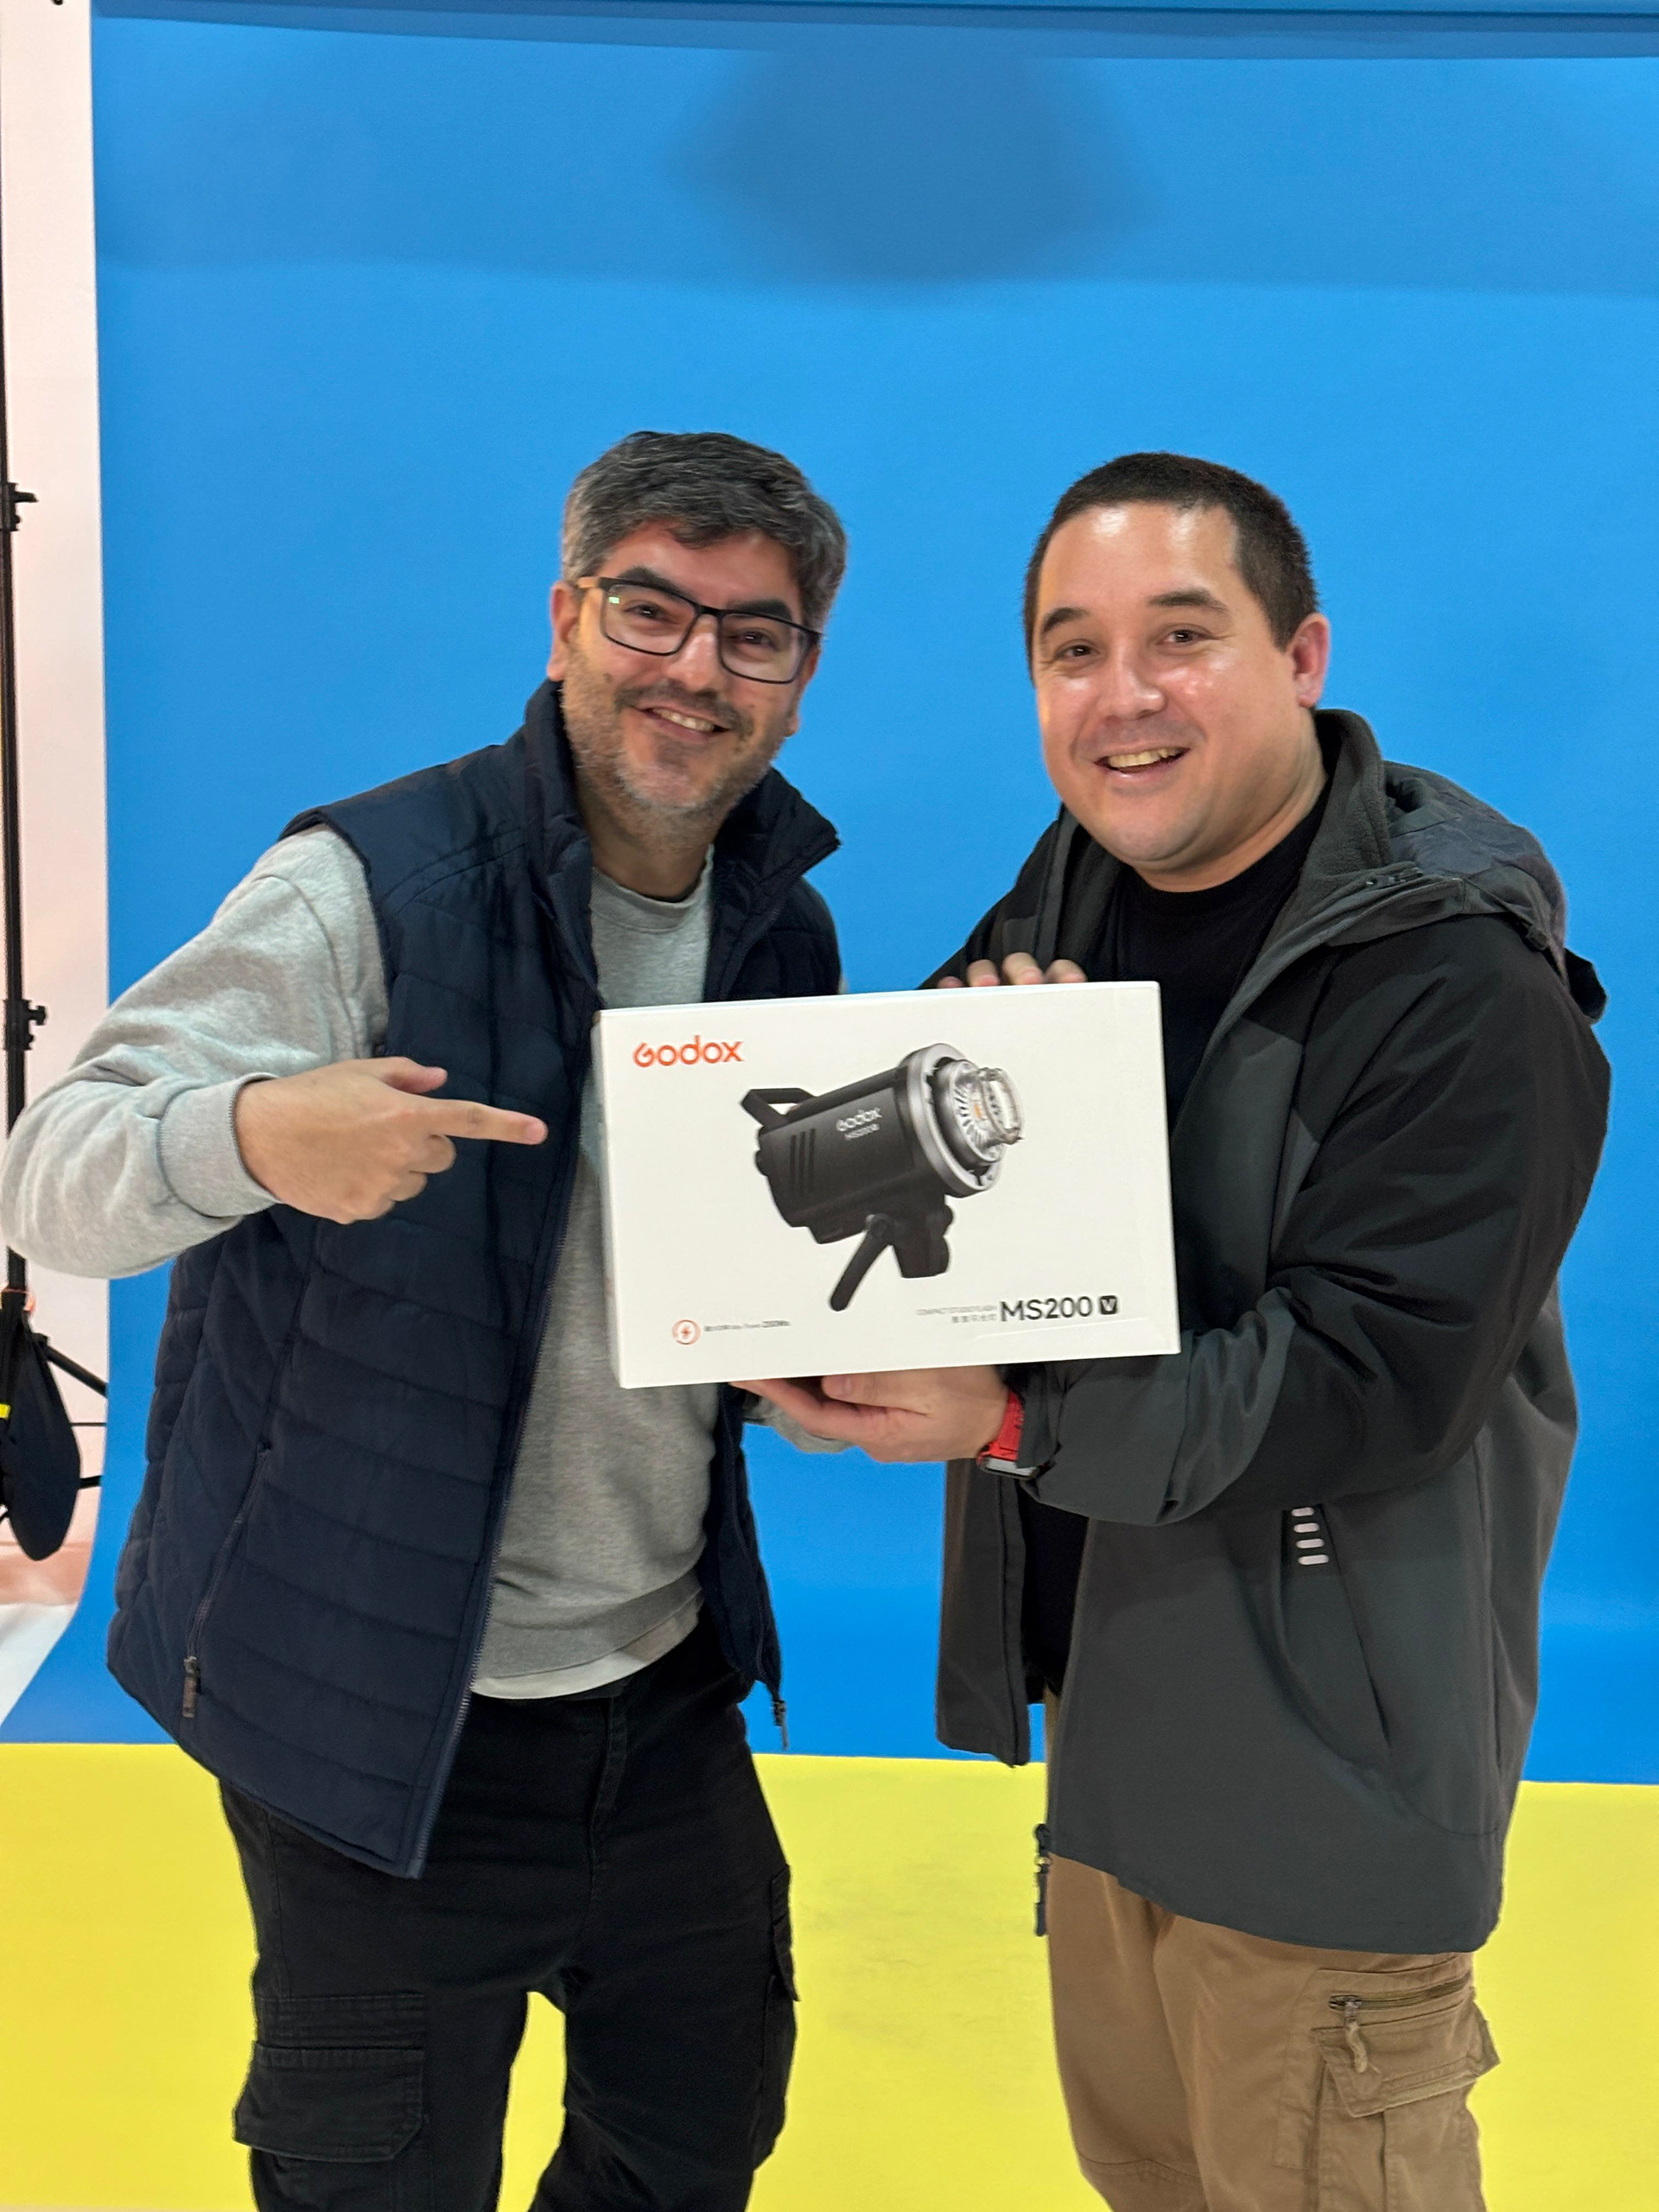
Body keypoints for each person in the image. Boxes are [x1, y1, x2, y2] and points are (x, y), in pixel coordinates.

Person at [748, 452, 1610, 2212]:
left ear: (1302, 655)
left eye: (1182, 636)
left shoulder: (1459, 985)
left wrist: (1007, 1420)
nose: (1122, 695)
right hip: (1118, 1746)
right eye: (1073, 649)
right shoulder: (1079, 884)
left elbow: (1371, 1383)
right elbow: (975, 1194)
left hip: (1327, 1791)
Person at [1, 429, 848, 2210]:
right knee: (377, 2178)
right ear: (567, 617)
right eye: (650, 609)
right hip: (380, 1704)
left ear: (799, 670)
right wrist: (254, 1135)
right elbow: (49, 1175)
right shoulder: (365, 890)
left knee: (703, 2125)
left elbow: (718, 1272)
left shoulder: (782, 931)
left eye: (752, 633)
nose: (695, 667)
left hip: (661, 1684)